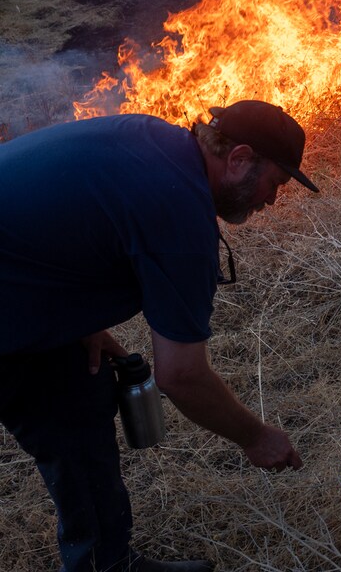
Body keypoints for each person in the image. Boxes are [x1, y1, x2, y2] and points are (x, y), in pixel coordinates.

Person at [0, 100, 319, 572]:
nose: (272, 200)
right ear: (238, 159)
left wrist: (78, 317)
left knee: (78, 395)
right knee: (65, 405)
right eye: (276, 183)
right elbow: (181, 375)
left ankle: (108, 563)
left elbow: (64, 221)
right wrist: (256, 437)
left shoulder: (154, 139)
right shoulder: (179, 210)